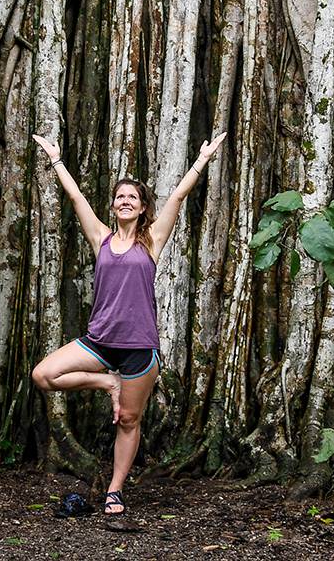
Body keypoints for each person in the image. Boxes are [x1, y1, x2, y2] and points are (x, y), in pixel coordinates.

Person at [29, 131, 226, 521]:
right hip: (99, 341)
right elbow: (76, 199)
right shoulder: (100, 237)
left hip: (139, 345)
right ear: (114, 205)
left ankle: (115, 490)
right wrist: (56, 160)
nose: (124, 201)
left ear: (141, 208)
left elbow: (178, 198)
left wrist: (201, 160)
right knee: (43, 375)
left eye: (132, 198)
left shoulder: (152, 241)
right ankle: (108, 383)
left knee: (129, 419)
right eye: (119, 197)